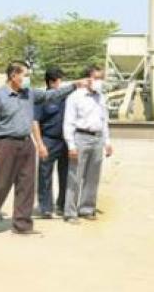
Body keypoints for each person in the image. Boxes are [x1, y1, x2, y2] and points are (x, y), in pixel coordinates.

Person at [0, 61, 78, 236]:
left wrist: (74, 85)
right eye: (25, 75)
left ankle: (22, 225)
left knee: (26, 185)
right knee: (0, 185)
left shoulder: (29, 93)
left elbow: (51, 95)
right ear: (13, 75)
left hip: (26, 144)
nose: (28, 79)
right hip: (6, 144)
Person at [62, 65, 113, 224]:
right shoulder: (75, 97)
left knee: (93, 177)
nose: (99, 81)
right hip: (81, 138)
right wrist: (71, 145)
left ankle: (86, 209)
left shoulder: (101, 97)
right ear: (88, 78)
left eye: (101, 78)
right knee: (75, 177)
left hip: (97, 138)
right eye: (96, 78)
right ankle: (70, 212)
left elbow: (104, 120)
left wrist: (107, 142)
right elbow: (68, 122)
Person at [33, 67, 71, 218]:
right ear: (51, 82)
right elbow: (35, 122)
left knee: (65, 174)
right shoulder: (41, 99)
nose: (62, 83)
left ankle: (62, 204)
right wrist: (40, 144)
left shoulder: (65, 98)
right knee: (45, 175)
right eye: (60, 80)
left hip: (65, 141)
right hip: (48, 140)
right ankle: (45, 207)